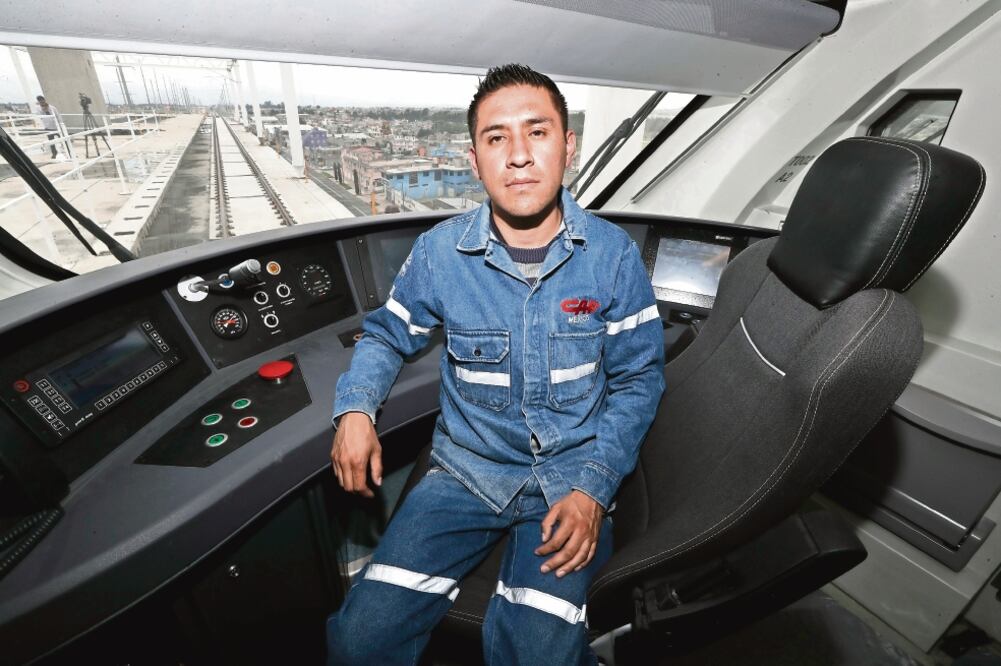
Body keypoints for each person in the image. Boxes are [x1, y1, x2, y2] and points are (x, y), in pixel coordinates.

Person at [326, 64, 665, 665]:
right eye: (496, 137)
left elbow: (638, 381)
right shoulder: (438, 253)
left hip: (570, 481)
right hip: (465, 475)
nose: (518, 155)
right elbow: (384, 335)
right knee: (359, 642)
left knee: (538, 656)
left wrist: (593, 489)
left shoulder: (613, 258)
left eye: (537, 132)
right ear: (475, 159)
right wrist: (355, 410)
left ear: (568, 146)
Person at [34, 95, 65, 161]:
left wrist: (61, 124)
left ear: (44, 100)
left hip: (56, 127)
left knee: (64, 140)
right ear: (39, 102)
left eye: (43, 101)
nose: (42, 102)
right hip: (48, 127)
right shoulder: (38, 109)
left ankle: (68, 152)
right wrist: (43, 110)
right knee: (51, 142)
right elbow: (39, 116)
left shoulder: (52, 107)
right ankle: (54, 153)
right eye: (40, 102)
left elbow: (58, 115)